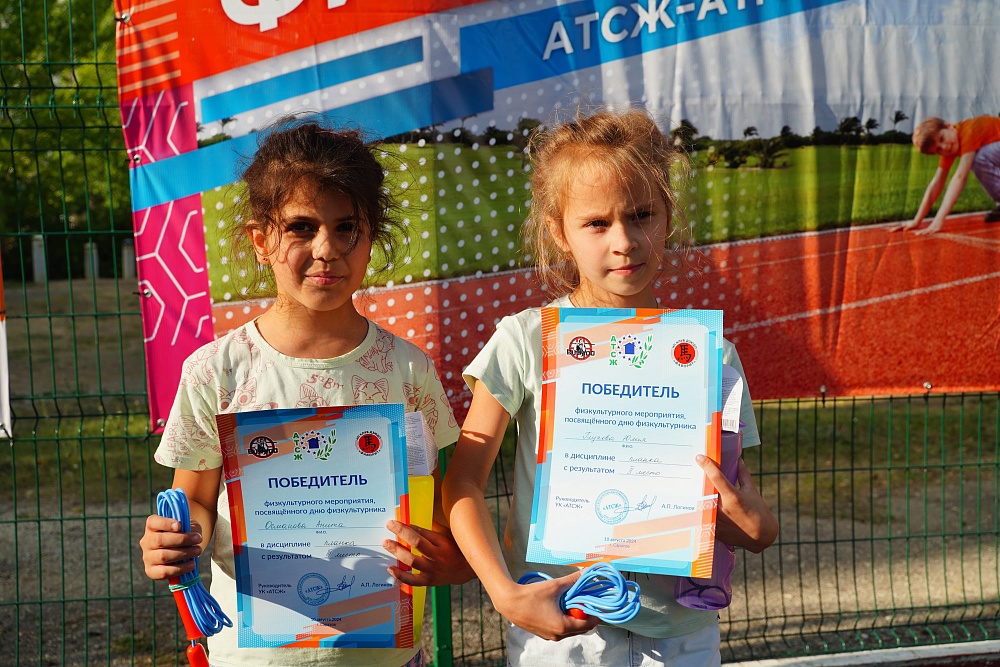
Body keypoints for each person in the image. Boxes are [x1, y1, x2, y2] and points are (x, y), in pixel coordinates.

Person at [441, 108, 779, 667]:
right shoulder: (525, 339)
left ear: (667, 215)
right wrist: (506, 594)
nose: (624, 241)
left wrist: (754, 525)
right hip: (562, 629)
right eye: (597, 223)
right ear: (559, 232)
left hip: (681, 635)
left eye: (641, 215)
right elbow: (463, 482)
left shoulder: (709, 354)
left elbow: (749, 515)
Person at [139, 119, 473, 667]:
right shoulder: (216, 372)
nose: (326, 248)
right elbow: (194, 499)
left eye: (347, 228)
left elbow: (433, 507)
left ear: (371, 237)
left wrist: (450, 557)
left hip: (384, 656)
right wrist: (177, 543)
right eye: (300, 227)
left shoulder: (406, 369)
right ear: (260, 241)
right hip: (253, 657)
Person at [900, 115, 1000, 234]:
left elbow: (960, 177)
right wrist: (916, 221)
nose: (944, 147)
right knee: (979, 157)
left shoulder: (968, 132)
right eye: (938, 150)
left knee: (978, 158)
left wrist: (938, 220)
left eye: (942, 138)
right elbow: (936, 184)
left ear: (949, 126)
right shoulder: (949, 148)